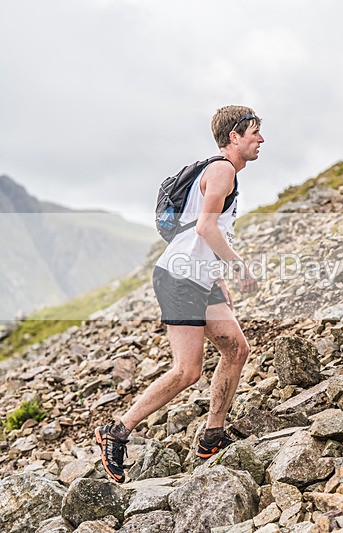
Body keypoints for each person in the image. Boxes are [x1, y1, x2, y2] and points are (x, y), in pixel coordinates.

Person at [95, 106, 263, 483]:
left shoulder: (220, 171)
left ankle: (212, 435)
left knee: (236, 348)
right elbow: (205, 227)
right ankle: (117, 430)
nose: (260, 140)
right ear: (233, 137)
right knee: (187, 370)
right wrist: (239, 267)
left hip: (200, 278)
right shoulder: (222, 169)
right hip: (179, 278)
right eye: (254, 132)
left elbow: (197, 232)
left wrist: (217, 278)